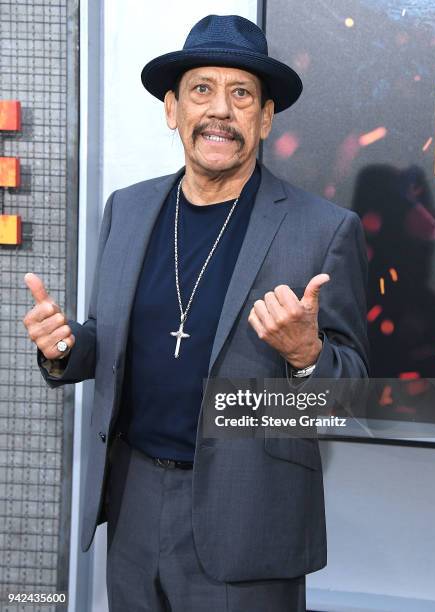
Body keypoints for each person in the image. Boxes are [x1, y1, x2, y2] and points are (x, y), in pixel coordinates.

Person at [22, 14, 369, 612]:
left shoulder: (324, 229)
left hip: (249, 517)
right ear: (172, 109)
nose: (220, 110)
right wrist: (67, 347)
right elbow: (114, 340)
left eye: (241, 94)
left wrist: (306, 355)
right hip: (130, 504)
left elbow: (352, 397)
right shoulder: (127, 209)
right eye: (201, 90)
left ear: (264, 119)